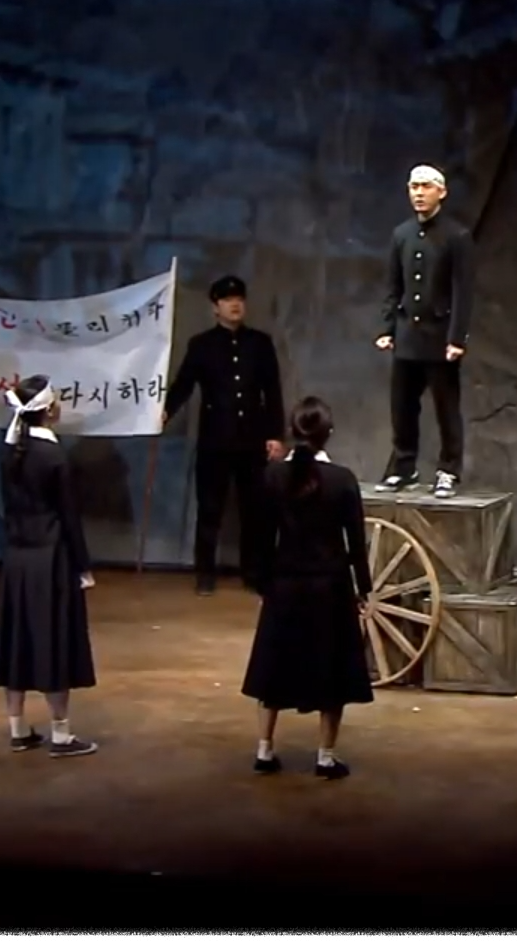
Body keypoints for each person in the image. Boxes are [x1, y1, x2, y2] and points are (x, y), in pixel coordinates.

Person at [241, 397, 374, 779]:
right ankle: (325, 757)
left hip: (284, 583)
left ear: (292, 430)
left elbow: (260, 538)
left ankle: (264, 750)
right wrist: (364, 589)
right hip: (330, 587)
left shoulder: (272, 476)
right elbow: (356, 542)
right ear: (328, 433)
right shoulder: (342, 480)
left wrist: (262, 584)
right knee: (332, 672)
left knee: (273, 667)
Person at [0, 376, 99, 757]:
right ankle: (61, 734)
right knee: (54, 641)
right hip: (51, 558)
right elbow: (69, 517)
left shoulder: (11, 451)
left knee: (16, 640)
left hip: (18, 557)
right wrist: (83, 566)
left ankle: (18, 728)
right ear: (49, 410)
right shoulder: (54, 457)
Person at [163, 275, 286, 595]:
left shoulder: (260, 343)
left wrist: (275, 435)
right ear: (215, 307)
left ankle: (253, 572)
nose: (235, 305)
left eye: (239, 299)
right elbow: (183, 385)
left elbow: (272, 392)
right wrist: (164, 411)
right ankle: (205, 574)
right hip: (215, 441)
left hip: (252, 440)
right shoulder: (201, 345)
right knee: (210, 509)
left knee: (254, 510)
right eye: (228, 300)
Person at [375, 164, 475, 499]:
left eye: (425, 186)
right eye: (413, 186)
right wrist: (388, 327)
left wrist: (456, 337)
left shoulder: (456, 236)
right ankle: (404, 466)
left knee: (446, 408)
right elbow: (394, 286)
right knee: (402, 406)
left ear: (441, 192)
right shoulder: (401, 234)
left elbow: (463, 291)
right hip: (408, 334)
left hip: (439, 336)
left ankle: (448, 469)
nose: (418, 193)